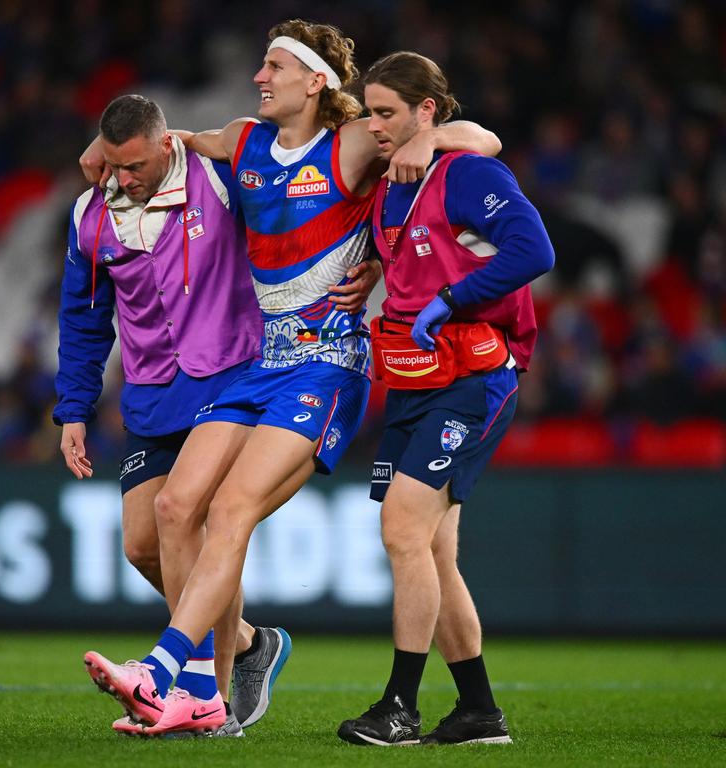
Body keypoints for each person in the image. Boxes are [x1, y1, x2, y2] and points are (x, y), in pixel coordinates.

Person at [81, 20, 502, 738]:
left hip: (326, 360)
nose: (258, 77)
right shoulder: (243, 140)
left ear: (315, 81)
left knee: (230, 510)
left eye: (273, 66)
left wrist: (431, 138)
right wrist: (100, 145)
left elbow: (483, 142)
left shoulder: (352, 143)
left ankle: (172, 678)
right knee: (178, 508)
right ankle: (217, 678)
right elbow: (163, 141)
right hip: (258, 362)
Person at [55, 93, 379, 735]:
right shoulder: (92, 216)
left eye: (137, 165)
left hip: (233, 377)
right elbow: (84, 318)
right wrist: (73, 408)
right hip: (149, 396)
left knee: (193, 517)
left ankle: (209, 696)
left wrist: (367, 261)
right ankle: (254, 644)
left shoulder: (217, 176)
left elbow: (302, 190)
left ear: (166, 144)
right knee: (143, 544)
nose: (125, 180)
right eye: (114, 167)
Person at [335, 51, 555, 747]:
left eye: (388, 111)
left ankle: (399, 707)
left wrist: (454, 298)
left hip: (472, 375)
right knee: (431, 549)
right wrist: (380, 265)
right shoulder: (390, 184)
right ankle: (478, 712)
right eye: (368, 110)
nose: (374, 124)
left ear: (428, 111)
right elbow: (421, 249)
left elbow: (534, 248)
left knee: (402, 529)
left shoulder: (466, 171)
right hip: (414, 377)